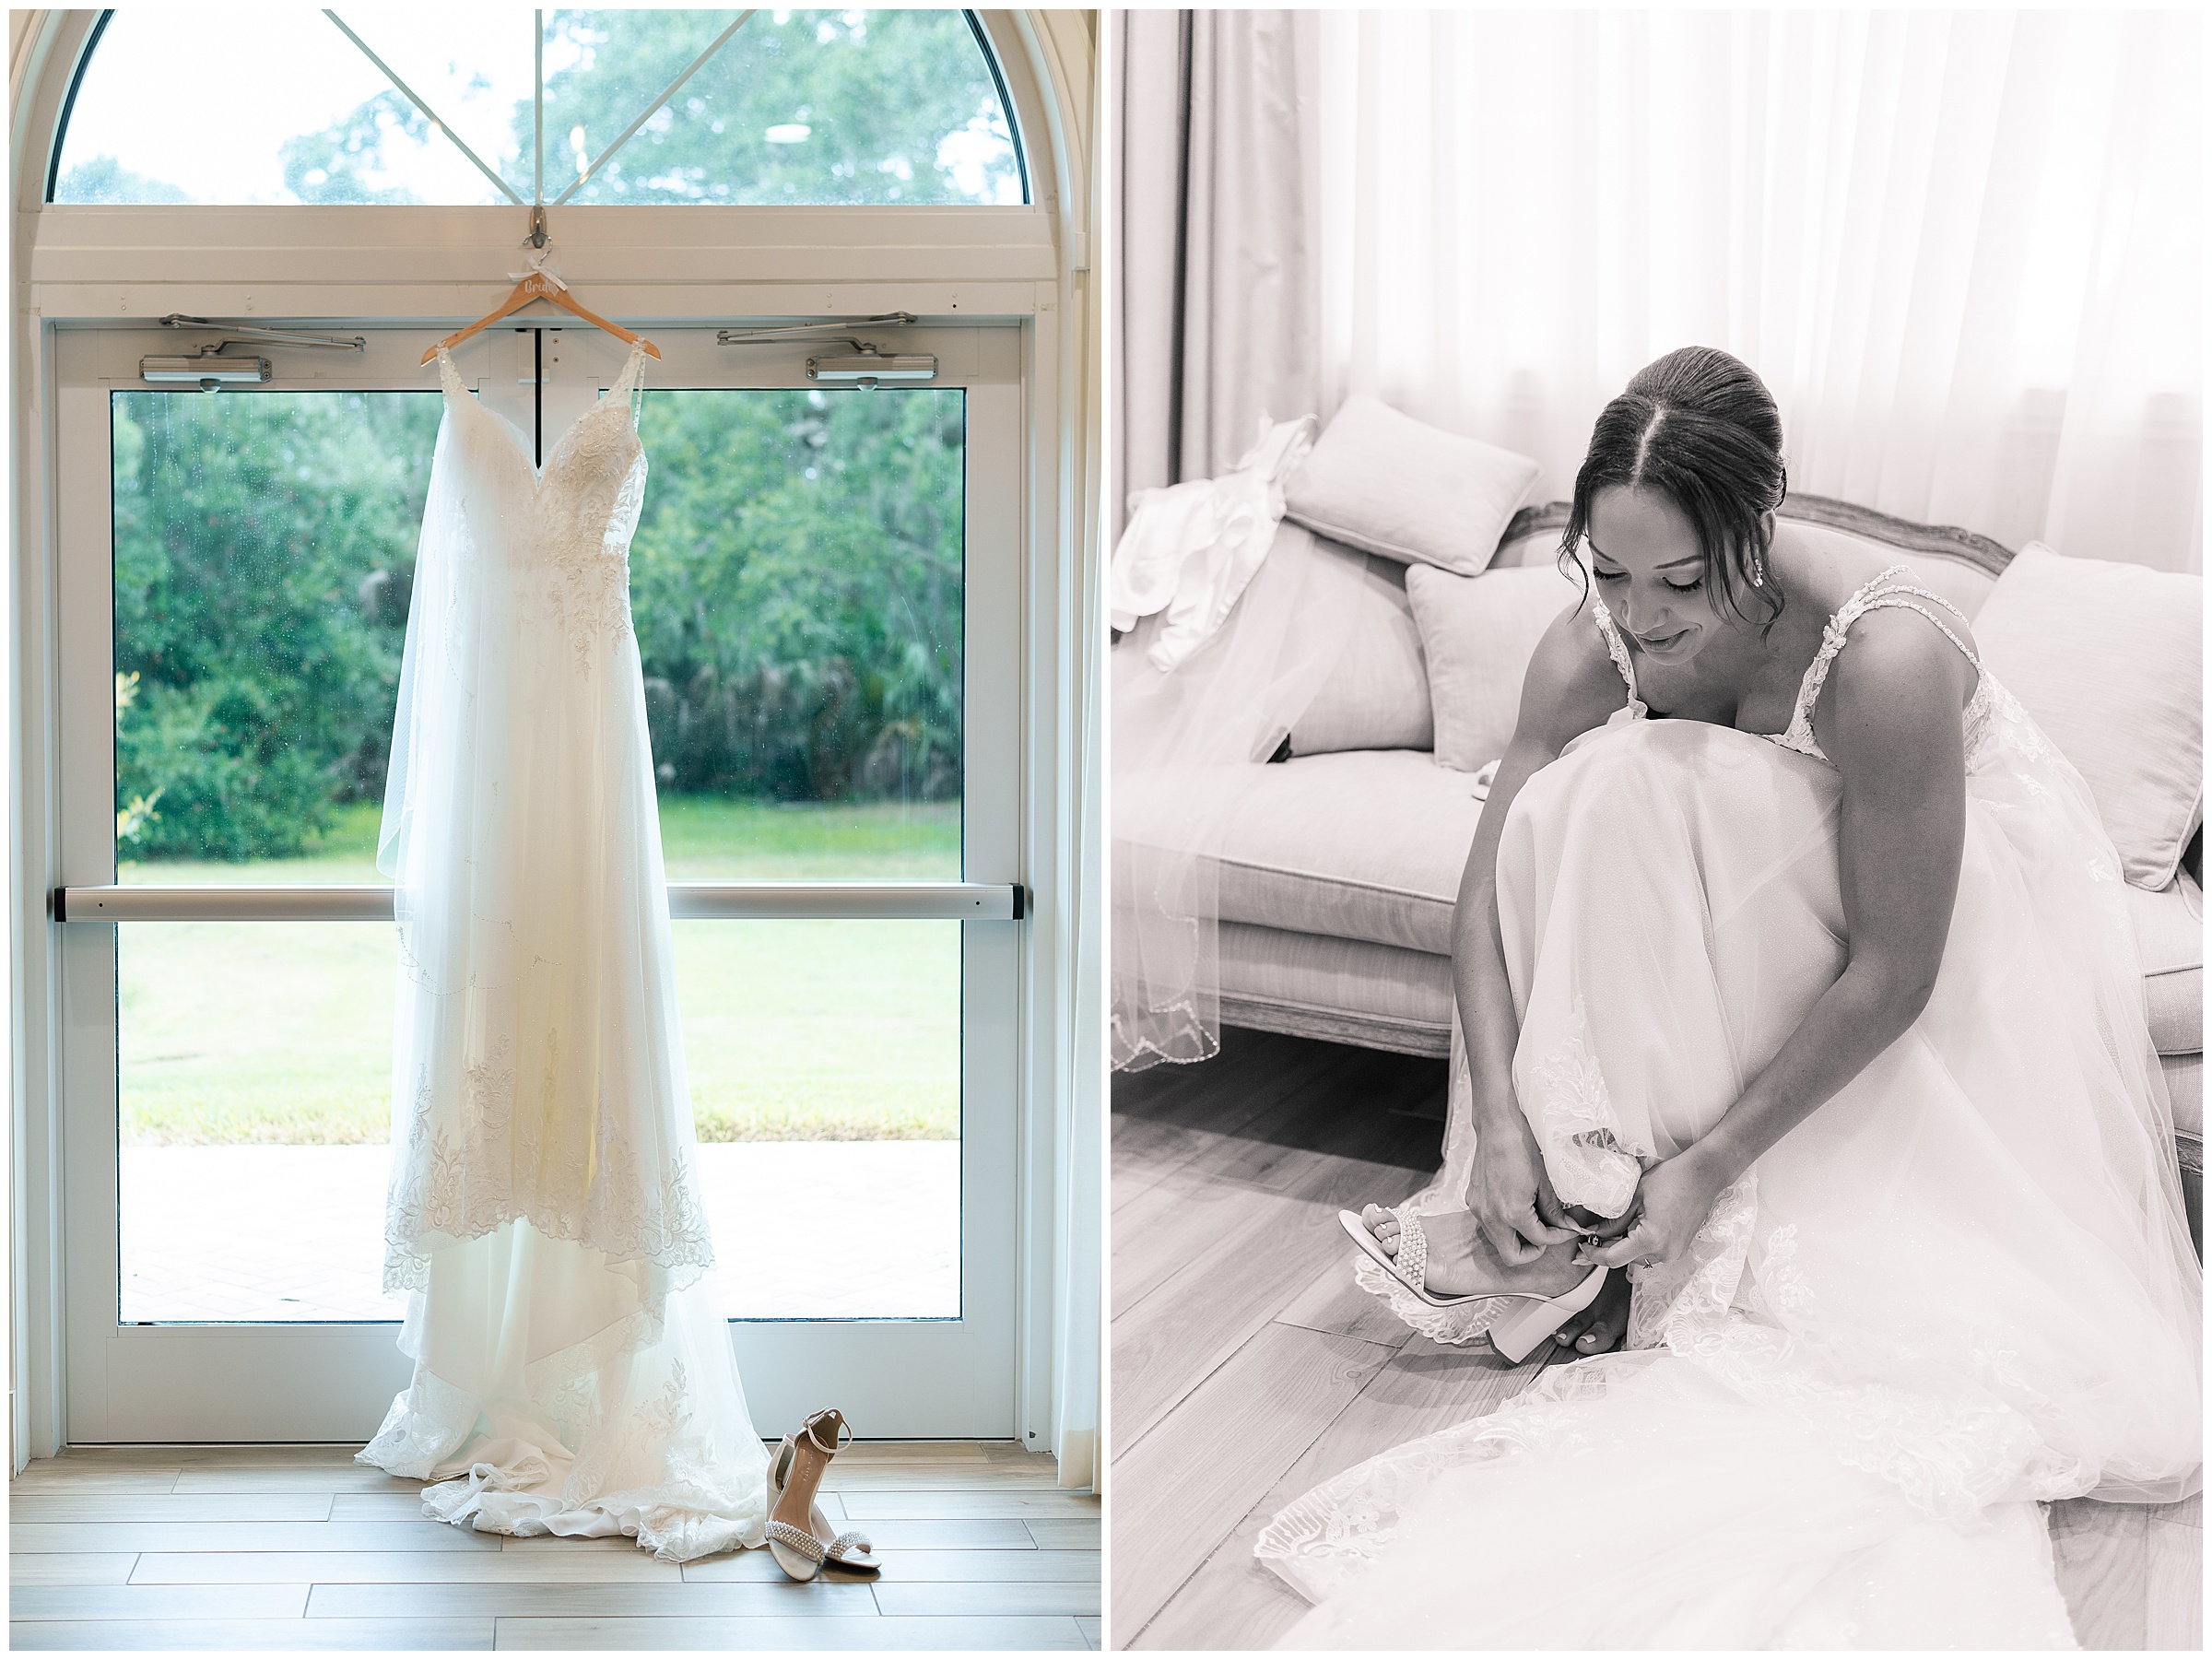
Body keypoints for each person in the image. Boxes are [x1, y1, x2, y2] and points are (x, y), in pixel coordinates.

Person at [1257, 347, 2201, 1646]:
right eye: (1610, 572)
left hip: (1946, 939)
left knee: (1624, 788)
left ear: (1757, 531)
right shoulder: (1598, 636)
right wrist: (1496, 1133)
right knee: (1572, 804)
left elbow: (1899, 966)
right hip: (1781, 917)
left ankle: (1641, 1207)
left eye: (1681, 584)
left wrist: (1715, 1165)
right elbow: (1485, 892)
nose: (1639, 620)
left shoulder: (1889, 654)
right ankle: (1585, 1205)